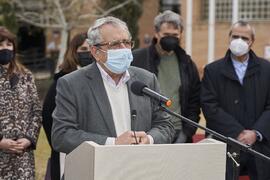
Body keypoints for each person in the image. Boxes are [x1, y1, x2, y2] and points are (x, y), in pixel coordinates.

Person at [51, 16, 175, 154]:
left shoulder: (146, 79)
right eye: (115, 44)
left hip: (140, 167)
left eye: (127, 42)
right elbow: (61, 135)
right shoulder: (72, 84)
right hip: (97, 169)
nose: (123, 49)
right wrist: (112, 143)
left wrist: (149, 139)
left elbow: (165, 125)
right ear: (95, 51)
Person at [201, 20, 270, 180]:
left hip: (260, 146)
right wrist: (237, 133)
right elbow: (209, 106)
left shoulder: (266, 70)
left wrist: (255, 133)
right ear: (229, 38)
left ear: (252, 41)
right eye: (235, 36)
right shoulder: (213, 71)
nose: (239, 41)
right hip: (225, 144)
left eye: (244, 38)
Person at [132, 10, 200, 143]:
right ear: (156, 33)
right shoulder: (137, 59)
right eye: (166, 34)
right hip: (149, 133)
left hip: (179, 132)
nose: (171, 38)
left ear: (181, 34)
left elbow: (194, 101)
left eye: (175, 35)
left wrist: (187, 133)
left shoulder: (187, 63)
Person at [42, 32, 93, 180]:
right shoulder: (62, 81)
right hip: (67, 149)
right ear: (74, 51)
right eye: (83, 49)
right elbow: (47, 116)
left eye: (90, 48)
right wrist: (60, 142)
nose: (88, 53)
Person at [0, 26, 42, 179]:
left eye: (8, 44)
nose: (5, 48)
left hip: (22, 158)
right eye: (1, 44)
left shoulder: (26, 76)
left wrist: (28, 139)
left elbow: (36, 111)